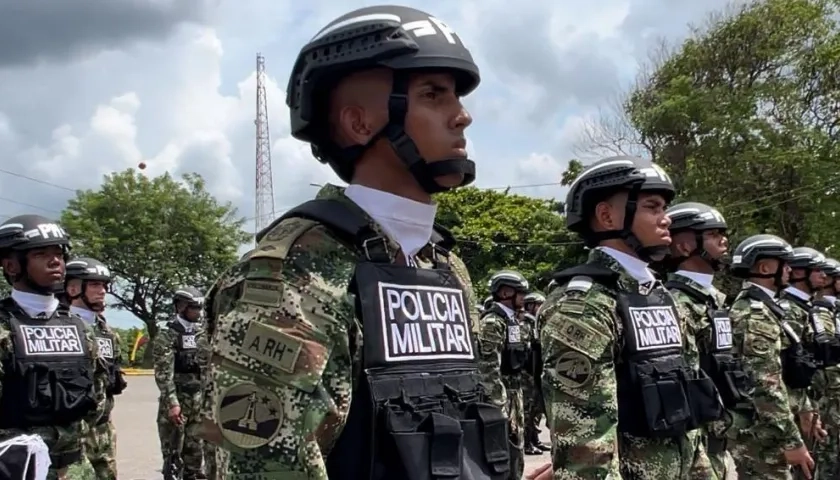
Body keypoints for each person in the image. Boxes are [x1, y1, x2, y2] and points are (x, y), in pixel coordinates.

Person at [199, 5, 510, 479]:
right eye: (433, 94)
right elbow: (265, 464)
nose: (462, 116)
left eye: (456, 97)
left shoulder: (445, 266)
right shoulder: (292, 272)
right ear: (360, 124)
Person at [531, 156, 719, 480]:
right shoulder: (584, 306)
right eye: (653, 207)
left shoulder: (661, 297)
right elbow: (587, 452)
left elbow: (686, 418)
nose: (667, 219)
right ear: (606, 216)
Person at [0, 214, 105, 480]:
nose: (55, 260)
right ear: (12, 266)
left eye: (59, 252)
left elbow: (96, 403)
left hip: (77, 468)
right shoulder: (3, 327)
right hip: (20, 469)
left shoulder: (80, 327)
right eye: (41, 253)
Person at [660, 202, 746, 480]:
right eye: (713, 234)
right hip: (695, 444)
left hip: (717, 436)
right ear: (684, 246)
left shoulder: (712, 300)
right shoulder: (676, 304)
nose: (724, 240)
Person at [726, 234, 816, 479]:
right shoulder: (754, 315)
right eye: (784, 264)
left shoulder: (767, 308)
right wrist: (791, 440)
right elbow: (765, 385)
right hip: (761, 434)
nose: (790, 270)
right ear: (765, 268)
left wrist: (804, 407)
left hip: (772, 428)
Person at [64, 257, 127, 480]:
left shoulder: (107, 333)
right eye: (94, 285)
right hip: (72, 435)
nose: (102, 291)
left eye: (104, 286)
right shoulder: (63, 328)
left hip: (103, 432)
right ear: (72, 288)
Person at [478, 270, 530, 478]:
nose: (524, 298)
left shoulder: (512, 321)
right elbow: (488, 368)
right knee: (503, 450)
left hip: (514, 393)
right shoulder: (492, 322)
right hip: (502, 397)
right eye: (521, 293)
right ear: (507, 292)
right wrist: (499, 406)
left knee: (516, 447)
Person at [154, 287, 208, 480]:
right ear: (181, 307)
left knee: (195, 455)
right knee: (173, 456)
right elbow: (163, 374)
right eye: (194, 308)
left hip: (198, 403)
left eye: (199, 308)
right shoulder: (167, 335)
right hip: (177, 403)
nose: (198, 312)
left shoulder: (203, 334)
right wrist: (173, 403)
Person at [520, 292, 549, 455]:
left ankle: (534, 439)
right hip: (527, 374)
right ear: (530, 306)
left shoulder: (537, 323)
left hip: (536, 371)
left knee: (536, 409)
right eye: (538, 304)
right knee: (527, 409)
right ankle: (526, 443)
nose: (541, 308)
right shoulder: (525, 323)